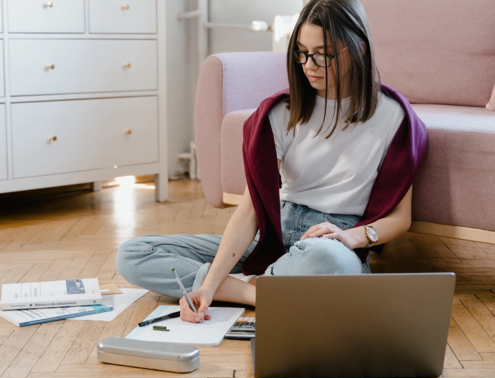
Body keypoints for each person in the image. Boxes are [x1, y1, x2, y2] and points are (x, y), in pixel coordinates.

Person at [116, 0, 427, 324]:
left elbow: (400, 217)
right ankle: (256, 291)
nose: (309, 64)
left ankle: (250, 288)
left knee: (329, 262)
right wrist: (209, 287)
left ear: (358, 48)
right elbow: (251, 209)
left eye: (323, 54)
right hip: (274, 233)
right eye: (302, 52)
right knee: (134, 254)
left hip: (332, 240)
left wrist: (353, 238)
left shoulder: (395, 118)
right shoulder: (281, 113)